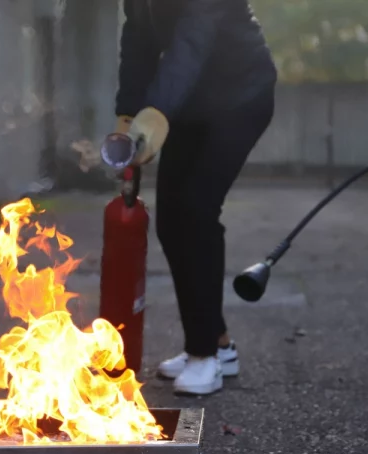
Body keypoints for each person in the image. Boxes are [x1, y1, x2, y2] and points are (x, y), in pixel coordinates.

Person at [113, 0, 277, 396]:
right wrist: (128, 113)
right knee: (170, 219)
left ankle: (203, 356)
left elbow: (192, 41)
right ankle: (217, 343)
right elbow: (137, 40)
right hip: (188, 102)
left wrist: (156, 112)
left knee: (198, 209)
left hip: (241, 97)